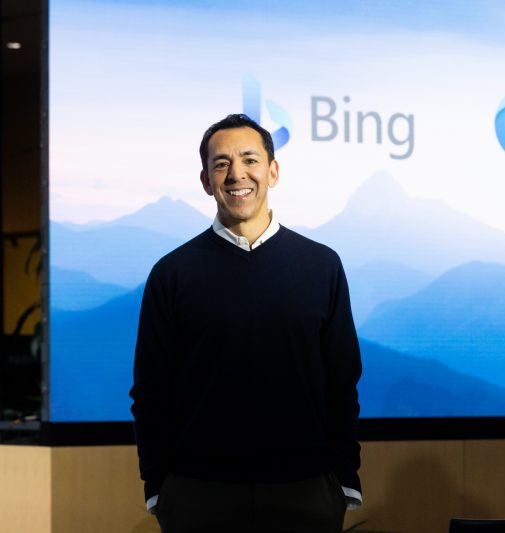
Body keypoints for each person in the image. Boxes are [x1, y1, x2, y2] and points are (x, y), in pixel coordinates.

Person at [129, 113, 362, 533]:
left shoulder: (322, 265)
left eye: (250, 160)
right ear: (205, 180)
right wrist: (158, 487)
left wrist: (343, 478)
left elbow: (342, 381)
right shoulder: (172, 274)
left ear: (273, 171)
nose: (237, 174)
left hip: (306, 491)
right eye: (221, 164)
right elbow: (150, 392)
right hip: (197, 495)